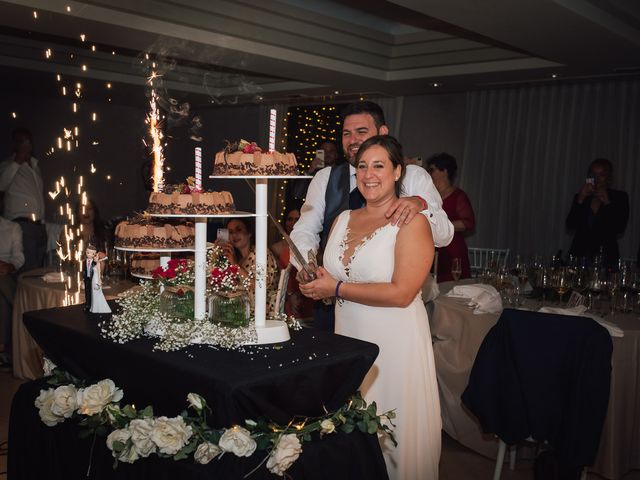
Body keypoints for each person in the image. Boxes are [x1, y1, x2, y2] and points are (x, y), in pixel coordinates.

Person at [299, 136, 441, 479]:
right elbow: (338, 281)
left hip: (395, 342)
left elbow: (402, 292)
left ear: (397, 172)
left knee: (394, 439)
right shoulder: (342, 218)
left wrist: (334, 286)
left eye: (379, 165)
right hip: (348, 339)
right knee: (353, 436)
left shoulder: (413, 222)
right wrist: (317, 283)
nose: (369, 174)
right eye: (362, 166)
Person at [291, 100, 453, 331]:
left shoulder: (413, 176)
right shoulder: (325, 178)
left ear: (383, 132)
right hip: (333, 307)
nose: (353, 139)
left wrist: (421, 204)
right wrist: (307, 267)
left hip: (390, 313)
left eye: (361, 131)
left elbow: (445, 235)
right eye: (346, 133)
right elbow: (305, 230)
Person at [566, 159, 629, 268]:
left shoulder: (620, 197)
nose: (597, 179)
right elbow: (570, 225)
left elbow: (619, 227)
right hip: (579, 258)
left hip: (606, 259)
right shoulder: (581, 197)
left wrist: (607, 203)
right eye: (594, 174)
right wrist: (580, 199)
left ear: (608, 177)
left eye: (602, 175)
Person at [0, 128, 47, 271]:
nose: (26, 145)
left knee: (38, 270)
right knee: (28, 272)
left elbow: (37, 196)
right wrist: (18, 161)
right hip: (21, 225)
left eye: (28, 141)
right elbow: (1, 185)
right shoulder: (7, 166)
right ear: (15, 144)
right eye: (21, 141)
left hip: (39, 226)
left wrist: (43, 223)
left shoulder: (35, 166)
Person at [426, 153, 475, 281]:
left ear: (444, 171)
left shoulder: (458, 196)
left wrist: (441, 226)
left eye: (432, 170)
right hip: (434, 252)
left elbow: (468, 223)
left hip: (452, 251)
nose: (429, 174)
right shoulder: (431, 197)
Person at [218, 217, 280, 317]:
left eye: (239, 230)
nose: (234, 235)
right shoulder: (237, 257)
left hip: (261, 312)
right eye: (230, 232)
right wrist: (217, 255)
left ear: (249, 233)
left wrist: (235, 265)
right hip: (239, 309)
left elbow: (260, 287)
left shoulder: (262, 254)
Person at [270, 202, 314, 319]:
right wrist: (290, 295)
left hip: (310, 296)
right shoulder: (276, 248)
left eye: (297, 219)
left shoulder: (313, 248)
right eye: (290, 219)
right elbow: (275, 278)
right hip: (286, 299)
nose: (293, 223)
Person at [0, 193, 24, 365]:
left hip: (5, 273)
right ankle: (21, 314)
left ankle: (1, 348)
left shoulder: (12, 227)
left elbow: (19, 256)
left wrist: (10, 266)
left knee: (2, 287)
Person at [83, 244, 110, 313]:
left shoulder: (95, 263)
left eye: (92, 253)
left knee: (93, 293)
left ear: (94, 254)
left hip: (94, 279)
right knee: (87, 292)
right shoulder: (84, 262)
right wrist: (83, 279)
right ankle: (88, 305)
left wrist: (99, 280)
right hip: (87, 279)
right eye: (88, 252)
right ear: (85, 252)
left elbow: (99, 272)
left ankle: (93, 304)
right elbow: (84, 271)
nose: (89, 255)